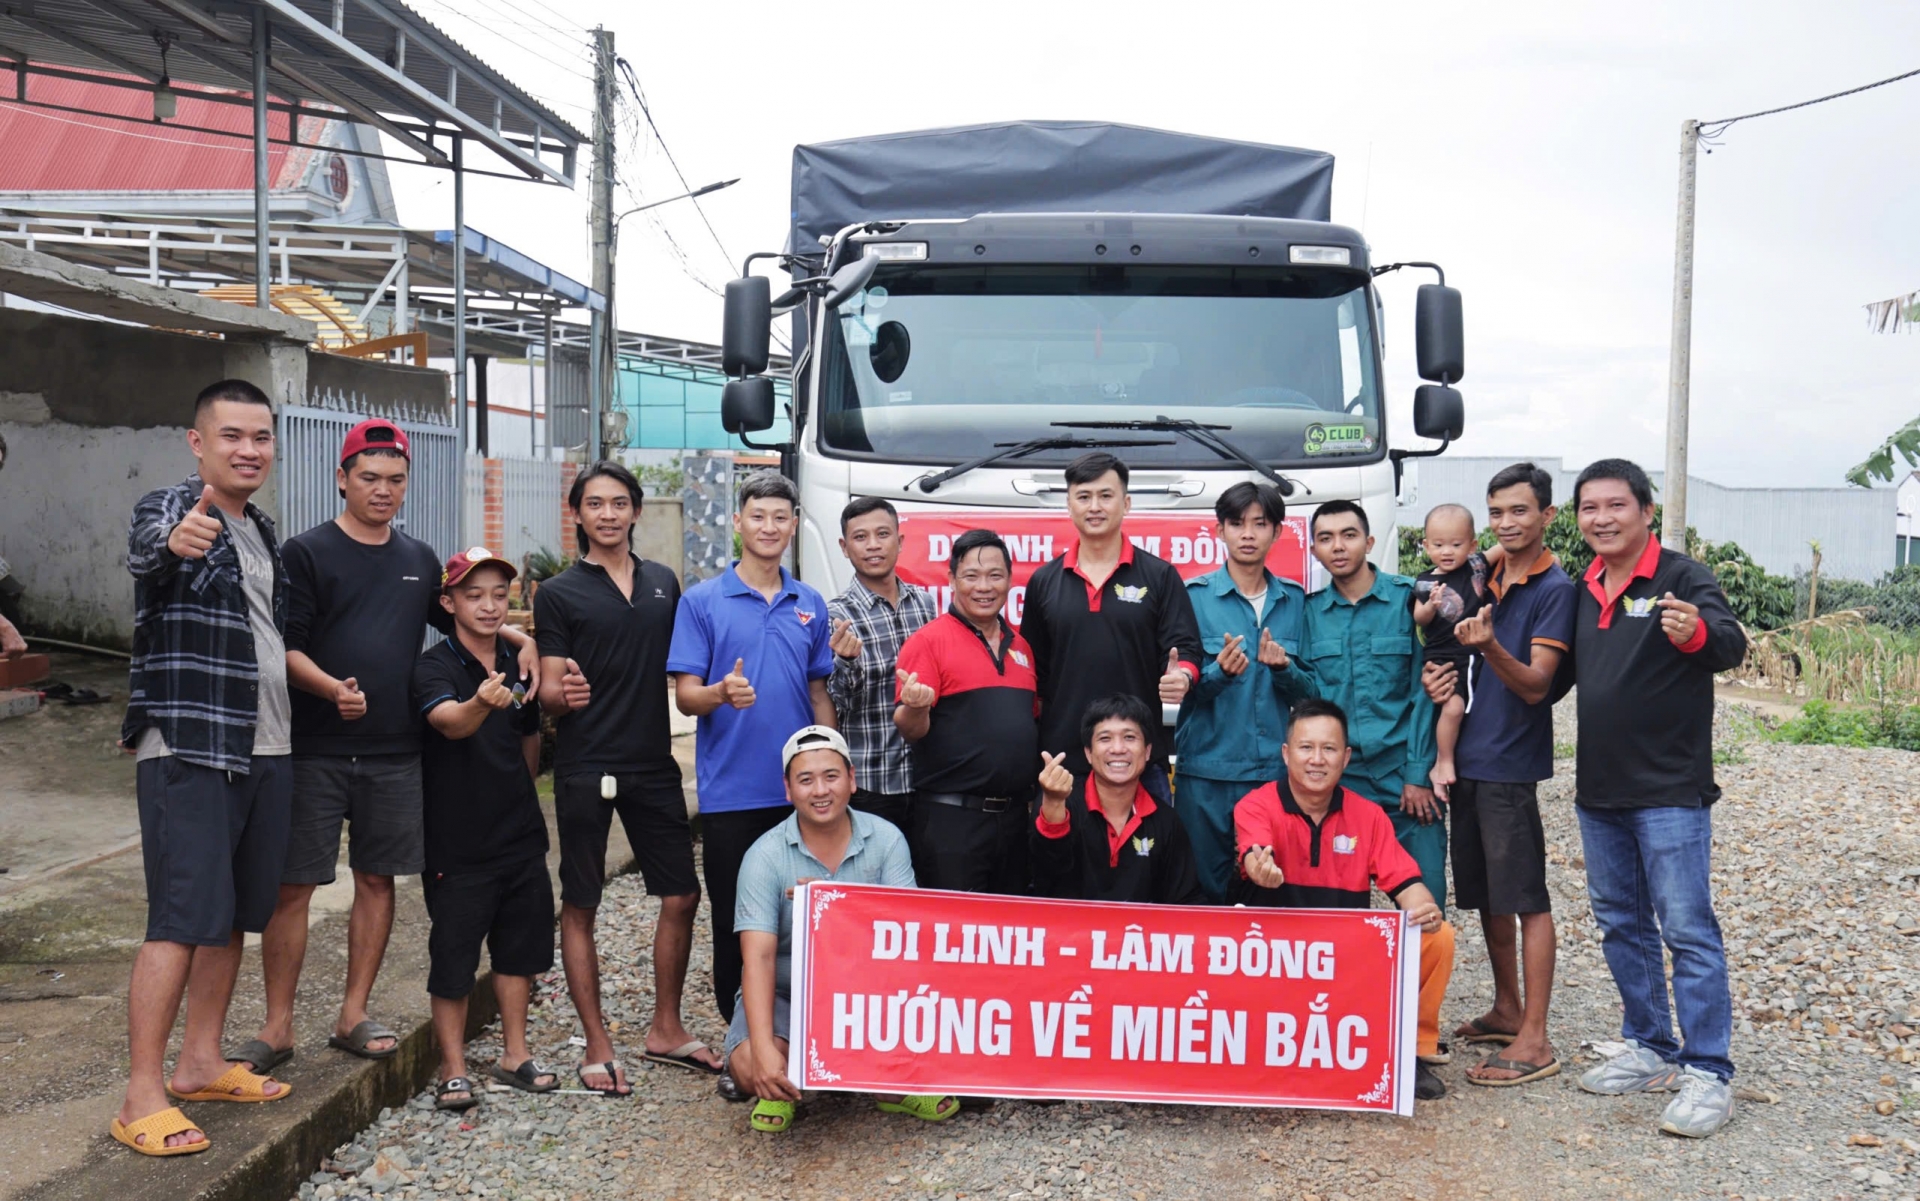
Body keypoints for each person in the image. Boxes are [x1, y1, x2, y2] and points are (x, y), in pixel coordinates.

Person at [247, 420, 540, 1074]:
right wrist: (329, 689)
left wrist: (525, 638)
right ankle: (277, 1025)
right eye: (370, 477)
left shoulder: (416, 559)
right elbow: (284, 645)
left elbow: (467, 616)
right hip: (317, 747)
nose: (384, 490)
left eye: (396, 480)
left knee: (378, 881)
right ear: (342, 478)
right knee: (293, 886)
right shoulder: (306, 552)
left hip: (395, 754)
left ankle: (353, 1011)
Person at [113, 380, 293, 1156]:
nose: (248, 449)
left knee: (228, 918)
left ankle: (200, 1061)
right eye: (231, 436)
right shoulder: (170, 506)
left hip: (268, 746)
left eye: (260, 436)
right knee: (180, 920)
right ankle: (140, 1094)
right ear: (198, 441)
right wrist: (174, 542)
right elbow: (148, 549)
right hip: (191, 743)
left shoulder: (263, 530)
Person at [1561, 458, 1745, 1138]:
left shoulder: (1682, 576)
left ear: (1646, 511)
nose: (1602, 518)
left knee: (1688, 929)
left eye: (1615, 505)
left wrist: (1696, 632)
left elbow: (1731, 644)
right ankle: (1649, 1044)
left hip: (1669, 789)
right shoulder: (1582, 588)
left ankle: (1708, 1072)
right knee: (1619, 922)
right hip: (1600, 788)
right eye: (1589, 507)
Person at [537, 461, 714, 1096]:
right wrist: (563, 695)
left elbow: (690, 662)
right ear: (578, 514)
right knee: (581, 903)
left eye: (619, 503)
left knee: (682, 895)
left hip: (652, 761)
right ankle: (596, 1040)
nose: (607, 514)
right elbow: (550, 696)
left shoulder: (665, 583)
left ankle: (666, 1027)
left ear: (636, 512)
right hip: (586, 766)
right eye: (595, 504)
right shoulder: (558, 593)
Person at [667, 470, 835, 1054]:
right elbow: (687, 695)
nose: (769, 527)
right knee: (739, 920)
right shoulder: (702, 602)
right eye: (757, 516)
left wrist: (832, 773)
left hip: (803, 795)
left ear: (793, 526)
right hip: (734, 793)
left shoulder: (809, 602)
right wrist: (720, 693)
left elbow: (819, 694)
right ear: (737, 523)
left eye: (780, 517)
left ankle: (809, 1033)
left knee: (811, 919)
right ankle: (746, 1040)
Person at [1420, 464, 1574, 1088]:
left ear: (1547, 516)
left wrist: (1487, 648)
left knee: (1526, 897)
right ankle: (1507, 1006)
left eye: (1520, 511)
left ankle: (1535, 1038)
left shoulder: (1552, 588)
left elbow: (1538, 686)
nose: (1508, 523)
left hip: (1510, 761)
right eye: (1498, 512)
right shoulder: (1490, 572)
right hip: (1472, 759)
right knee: (1486, 894)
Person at [724, 725, 958, 1133]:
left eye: (831, 776)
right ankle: (788, 1076)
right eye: (806, 779)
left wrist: (839, 901)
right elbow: (757, 958)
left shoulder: (886, 839)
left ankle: (887, 1086)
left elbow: (907, 934)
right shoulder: (763, 856)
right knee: (749, 1067)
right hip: (788, 993)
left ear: (851, 779)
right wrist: (763, 1049)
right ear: (787, 789)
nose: (820, 790)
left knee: (942, 1047)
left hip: (868, 992)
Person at [1234, 698, 1455, 1101]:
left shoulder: (1369, 816)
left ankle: (1405, 1050)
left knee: (1438, 938)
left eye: (1329, 749)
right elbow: (1253, 854)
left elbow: (1408, 886)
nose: (1316, 759)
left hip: (1344, 961)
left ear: (1346, 756)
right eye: (1306, 747)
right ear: (1286, 754)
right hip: (1276, 960)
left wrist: (1425, 908)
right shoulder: (1256, 805)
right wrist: (1259, 869)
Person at [413, 549, 557, 1111]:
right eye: (474, 594)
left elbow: (528, 735)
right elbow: (447, 723)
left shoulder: (519, 659)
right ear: (449, 602)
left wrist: (518, 791)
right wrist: (477, 703)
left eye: (500, 594)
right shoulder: (434, 665)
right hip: (456, 838)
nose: (489, 604)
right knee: (452, 956)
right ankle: (452, 1067)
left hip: (518, 834)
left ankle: (514, 1053)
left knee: (518, 951)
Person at [1021, 452, 1202, 796]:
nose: (1095, 507)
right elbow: (1035, 675)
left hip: (1138, 760)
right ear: (1069, 504)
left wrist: (1183, 676)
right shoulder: (1044, 582)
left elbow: (1188, 649)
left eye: (1106, 496)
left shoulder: (1160, 576)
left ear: (1126, 503)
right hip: (1063, 763)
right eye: (1084, 496)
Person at [1175, 481, 1316, 901]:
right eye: (1237, 524)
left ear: (1277, 531)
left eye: (1260, 523)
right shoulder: (1192, 598)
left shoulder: (1294, 601)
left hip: (1275, 773)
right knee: (1201, 893)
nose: (1248, 534)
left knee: (1273, 894)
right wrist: (1217, 674)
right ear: (1219, 531)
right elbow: (1178, 689)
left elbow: (1311, 696)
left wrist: (1284, 668)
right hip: (1206, 774)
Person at [1300, 500, 1445, 903]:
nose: (1338, 547)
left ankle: (1420, 970)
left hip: (1404, 776)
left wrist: (1418, 774)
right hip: (1341, 782)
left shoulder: (1409, 601)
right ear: (1314, 550)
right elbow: (1309, 697)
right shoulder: (1309, 614)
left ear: (1369, 541)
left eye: (1349, 535)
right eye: (1326, 538)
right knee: (1338, 909)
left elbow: (1425, 693)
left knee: (1423, 904)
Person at [893, 529, 1039, 894]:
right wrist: (915, 707)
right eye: (971, 576)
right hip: (951, 823)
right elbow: (910, 729)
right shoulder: (928, 641)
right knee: (952, 937)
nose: (984, 586)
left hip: (1014, 823)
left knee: (1009, 934)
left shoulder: (1021, 645)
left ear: (1009, 579)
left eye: (995, 575)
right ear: (952, 579)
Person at [825, 497, 935, 831]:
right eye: (860, 537)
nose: (873, 545)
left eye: (883, 534)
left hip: (928, 777)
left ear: (900, 541)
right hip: (872, 783)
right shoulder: (836, 615)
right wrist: (846, 662)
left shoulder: (925, 605)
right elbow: (837, 705)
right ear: (845, 547)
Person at [1033, 694, 1202, 904]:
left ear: (1148, 751)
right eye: (1105, 738)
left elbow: (1186, 900)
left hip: (1138, 934)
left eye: (1130, 737)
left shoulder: (1166, 821)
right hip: (1069, 934)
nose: (1118, 749)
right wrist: (1054, 803)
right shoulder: (1059, 801)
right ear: (1088, 753)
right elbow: (1044, 876)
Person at [1411, 503, 1490, 802]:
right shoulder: (1425, 581)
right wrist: (1431, 603)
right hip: (1444, 655)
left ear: (1472, 545)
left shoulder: (1477, 566)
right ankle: (1444, 760)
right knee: (1454, 708)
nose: (1447, 551)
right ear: (1426, 544)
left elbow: (1503, 553)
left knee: (1476, 707)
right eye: (1438, 544)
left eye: (1456, 544)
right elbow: (1420, 617)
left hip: (1473, 651)